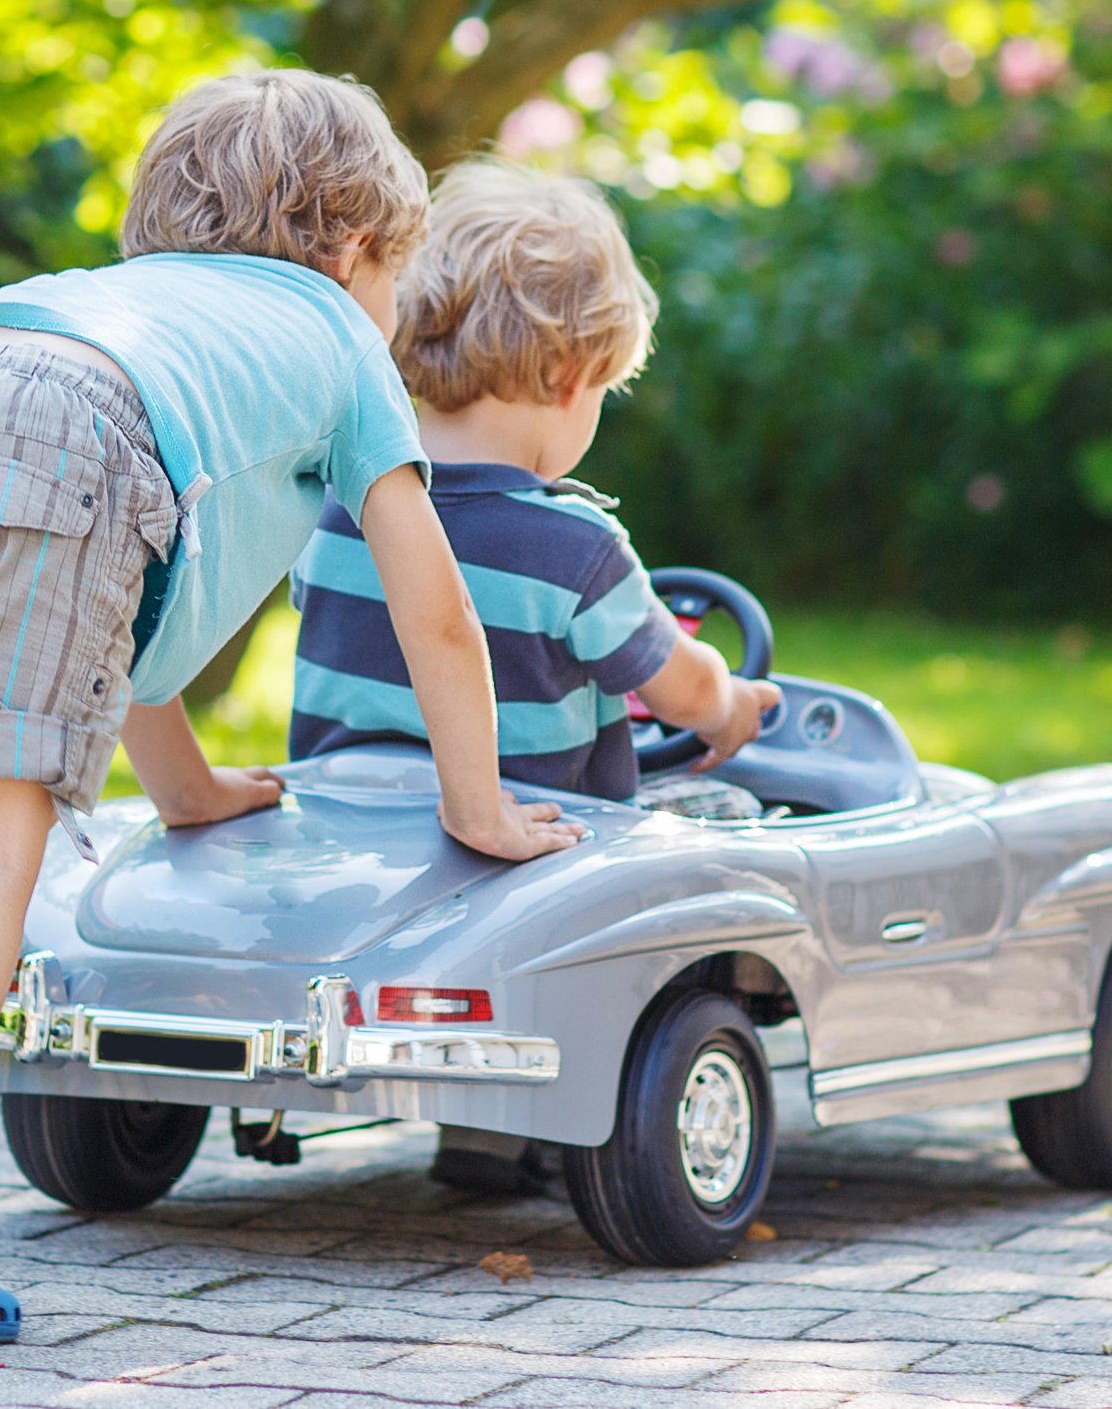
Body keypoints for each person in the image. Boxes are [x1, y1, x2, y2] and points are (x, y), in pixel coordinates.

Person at [0, 70, 583, 1344]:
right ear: (356, 250)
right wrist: (480, 802)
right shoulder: (338, 336)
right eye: (394, 275)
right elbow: (436, 607)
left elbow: (112, 642)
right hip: (57, 430)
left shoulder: (138, 307)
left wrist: (187, 794)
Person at [287, 159, 784, 1193]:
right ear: (571, 381)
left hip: (346, 827)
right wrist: (733, 704)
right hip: (531, 841)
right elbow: (678, 689)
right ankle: (523, 1122)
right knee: (722, 814)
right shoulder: (575, 547)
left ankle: (481, 1134)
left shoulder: (346, 507)